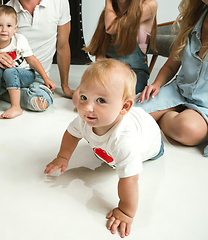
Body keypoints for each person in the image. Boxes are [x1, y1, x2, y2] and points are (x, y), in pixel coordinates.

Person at [44, 59, 163, 238]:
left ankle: (165, 114)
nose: (87, 107)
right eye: (84, 97)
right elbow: (71, 134)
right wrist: (63, 156)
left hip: (151, 141)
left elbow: (130, 180)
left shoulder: (124, 140)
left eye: (100, 100)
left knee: (124, 159)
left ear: (124, 107)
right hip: (124, 129)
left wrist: (126, 211)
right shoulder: (86, 119)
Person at [0, 0, 72, 113]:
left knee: (39, 102)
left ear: (15, 27)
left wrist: (65, 87)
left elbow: (63, 47)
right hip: (1, 73)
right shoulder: (6, 11)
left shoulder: (59, 2)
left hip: (33, 75)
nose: (4, 28)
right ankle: (0, 90)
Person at [137, 0, 208, 157]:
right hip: (178, 91)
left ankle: (165, 114)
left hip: (205, 107)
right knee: (131, 113)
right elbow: (171, 65)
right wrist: (157, 84)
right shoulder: (192, 19)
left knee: (187, 129)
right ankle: (172, 108)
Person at [72, 0, 157, 108]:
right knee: (77, 98)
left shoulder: (150, 5)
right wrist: (98, 76)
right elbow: (100, 54)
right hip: (109, 71)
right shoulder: (109, 13)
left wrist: (108, 2)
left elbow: (112, 27)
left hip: (132, 74)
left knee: (108, 99)